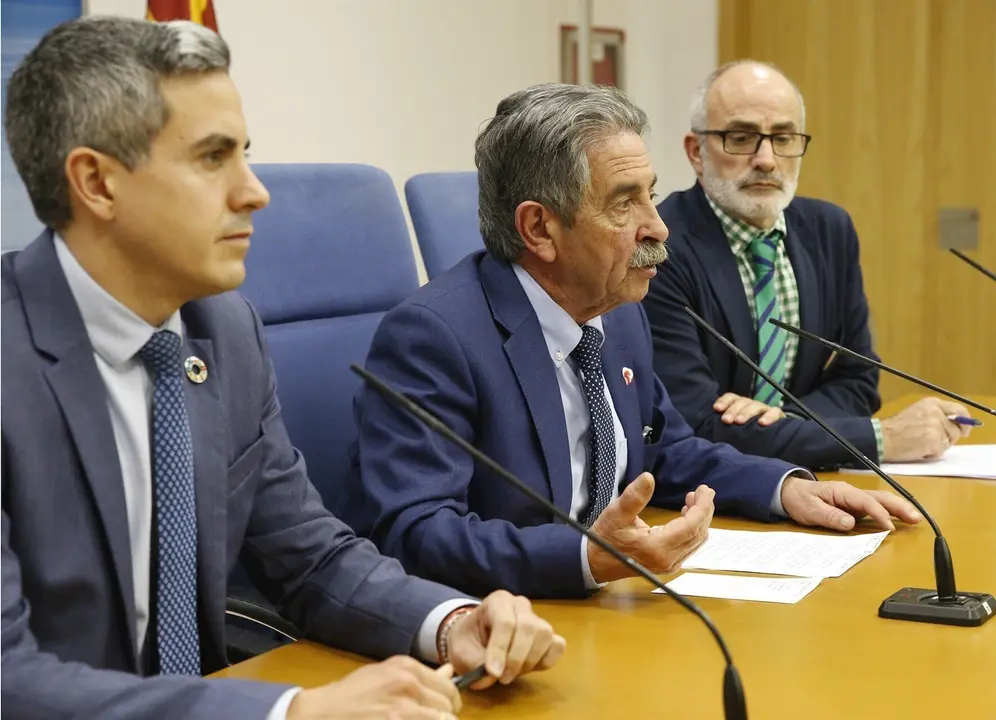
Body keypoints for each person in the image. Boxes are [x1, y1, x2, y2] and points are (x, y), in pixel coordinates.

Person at [1, 17, 563, 720]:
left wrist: (450, 622)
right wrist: (288, 713)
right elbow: (8, 678)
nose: (254, 191)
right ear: (97, 183)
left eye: (245, 154)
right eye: (212, 158)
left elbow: (310, 556)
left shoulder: (222, 328)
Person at [345, 83, 921, 601]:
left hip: (607, 607)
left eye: (651, 193)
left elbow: (664, 450)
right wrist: (585, 558)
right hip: (509, 622)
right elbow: (412, 532)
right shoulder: (435, 336)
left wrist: (785, 488)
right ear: (539, 229)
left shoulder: (616, 312)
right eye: (625, 202)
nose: (658, 225)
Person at [642, 60, 973, 470]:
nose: (766, 159)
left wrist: (784, 423)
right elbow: (695, 424)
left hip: (815, 482)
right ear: (696, 152)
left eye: (783, 138)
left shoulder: (829, 230)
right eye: (741, 137)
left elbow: (858, 380)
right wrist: (879, 439)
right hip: (706, 496)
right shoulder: (660, 245)